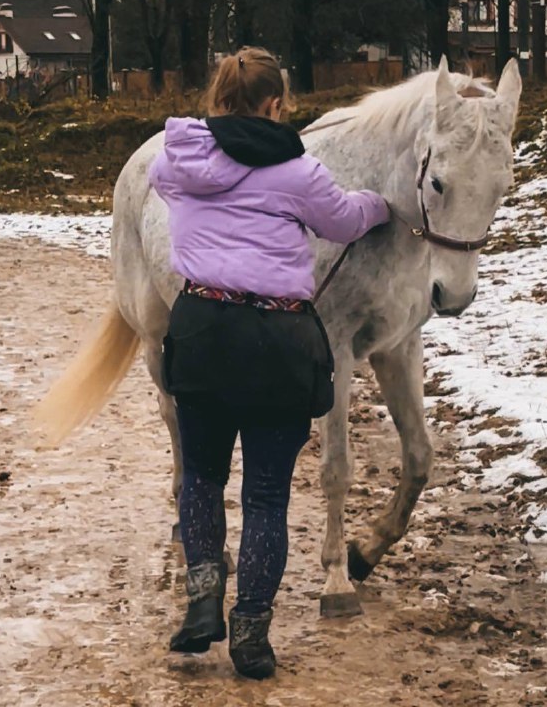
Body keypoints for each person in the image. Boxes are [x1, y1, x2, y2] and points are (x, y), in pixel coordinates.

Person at [149, 46, 389, 680]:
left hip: (201, 328)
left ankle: (203, 601)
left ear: (218, 99)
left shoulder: (176, 164)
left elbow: (167, 187)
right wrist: (381, 204)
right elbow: (342, 222)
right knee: (264, 498)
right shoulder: (299, 172)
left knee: (201, 477)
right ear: (277, 105)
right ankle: (252, 636)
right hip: (278, 343)